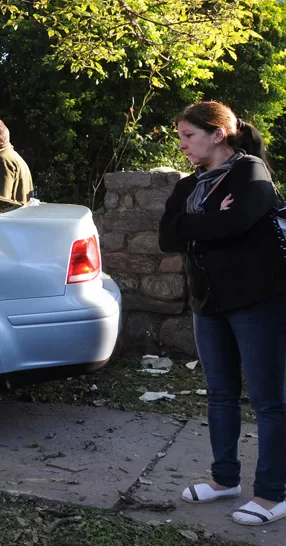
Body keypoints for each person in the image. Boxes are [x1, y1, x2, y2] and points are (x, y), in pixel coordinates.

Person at [159, 101, 286, 526]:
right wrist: (214, 215)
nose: (182, 145)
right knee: (221, 394)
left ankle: (273, 494)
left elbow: (237, 225)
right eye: (180, 137)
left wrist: (199, 223)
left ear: (218, 135)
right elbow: (166, 237)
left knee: (270, 401)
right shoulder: (188, 185)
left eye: (188, 136)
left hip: (257, 302)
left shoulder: (251, 172)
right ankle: (224, 479)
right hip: (207, 305)